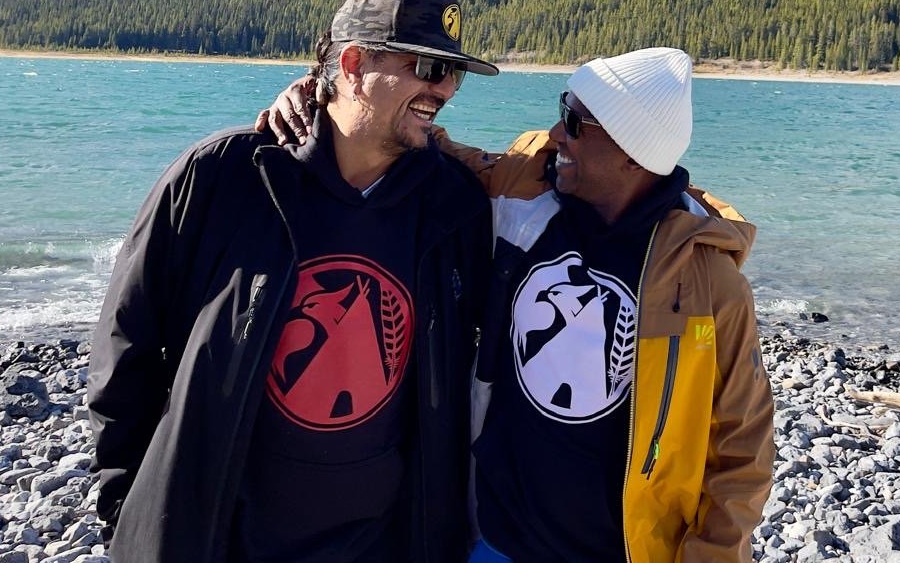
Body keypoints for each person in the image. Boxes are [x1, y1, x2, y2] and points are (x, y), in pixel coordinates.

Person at [264, 46, 774, 563]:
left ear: (632, 152)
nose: (556, 134)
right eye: (562, 111)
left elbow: (742, 448)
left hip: (620, 550)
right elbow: (415, 146)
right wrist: (325, 101)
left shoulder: (708, 279)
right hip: (493, 540)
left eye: (574, 123)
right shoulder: (521, 188)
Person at [89, 0, 497, 563]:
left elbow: (574, 187)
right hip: (223, 543)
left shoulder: (454, 205)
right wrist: (130, 514)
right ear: (353, 62)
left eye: (455, 72)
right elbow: (124, 353)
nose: (448, 88)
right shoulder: (223, 180)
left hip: (385, 545)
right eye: (430, 67)